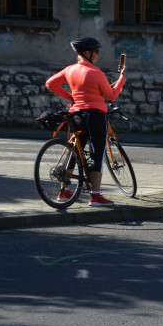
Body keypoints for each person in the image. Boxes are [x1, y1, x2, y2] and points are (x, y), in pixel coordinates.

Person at [45, 37, 128, 206]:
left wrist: (70, 97)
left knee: (75, 150)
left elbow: (50, 83)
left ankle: (64, 190)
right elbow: (111, 95)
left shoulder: (69, 70)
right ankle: (95, 196)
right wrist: (122, 77)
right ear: (88, 53)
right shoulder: (96, 73)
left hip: (76, 115)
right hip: (96, 116)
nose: (98, 55)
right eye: (96, 52)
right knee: (97, 153)